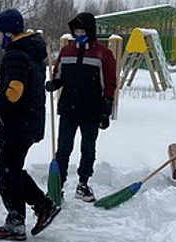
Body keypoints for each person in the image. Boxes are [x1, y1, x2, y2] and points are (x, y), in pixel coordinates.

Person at [0, 9, 61, 240]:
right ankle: (41, 207)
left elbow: (14, 94)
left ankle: (19, 221)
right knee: (13, 171)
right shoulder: (32, 52)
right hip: (28, 121)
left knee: (6, 174)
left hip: (19, 124)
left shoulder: (16, 55)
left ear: (9, 33)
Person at [45, 12, 117, 202]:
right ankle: (57, 186)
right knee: (63, 149)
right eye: (76, 31)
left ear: (90, 31)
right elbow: (58, 74)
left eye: (82, 30)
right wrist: (55, 83)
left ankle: (83, 184)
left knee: (88, 149)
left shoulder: (103, 54)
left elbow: (110, 83)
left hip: (91, 110)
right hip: (68, 108)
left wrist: (106, 108)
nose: (79, 34)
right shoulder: (66, 51)